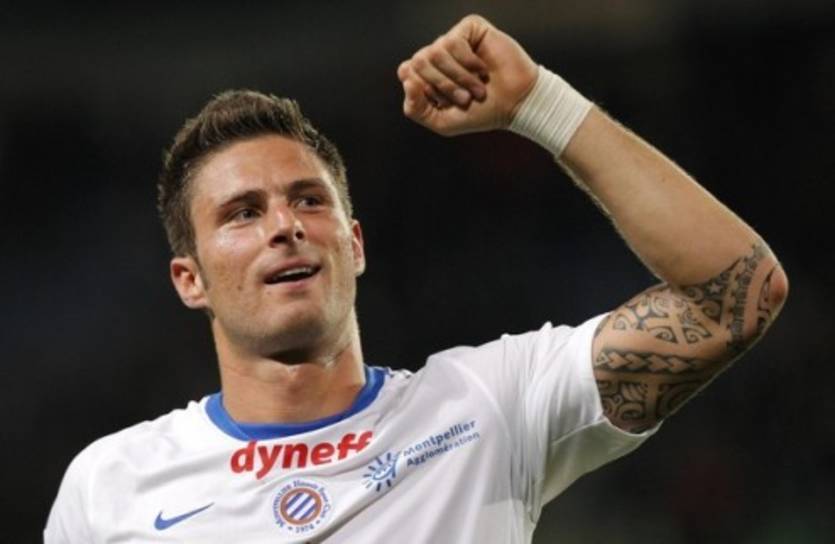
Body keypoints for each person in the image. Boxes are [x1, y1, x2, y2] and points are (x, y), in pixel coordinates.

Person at [45, 14, 788, 543]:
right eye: (242, 213)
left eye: (309, 200)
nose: (285, 225)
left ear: (354, 244)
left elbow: (736, 295)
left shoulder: (487, 408)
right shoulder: (110, 486)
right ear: (190, 280)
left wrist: (542, 105)